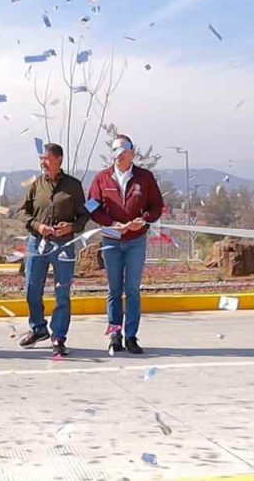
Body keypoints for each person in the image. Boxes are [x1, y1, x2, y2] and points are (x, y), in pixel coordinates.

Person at [87, 134, 164, 354]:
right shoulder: (102, 178)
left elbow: (157, 205)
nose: (119, 156)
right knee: (114, 290)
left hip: (135, 241)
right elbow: (91, 206)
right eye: (116, 152)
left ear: (132, 153)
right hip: (111, 241)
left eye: (123, 152)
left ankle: (131, 337)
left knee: (132, 289)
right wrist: (111, 223)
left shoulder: (144, 177)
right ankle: (114, 335)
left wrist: (144, 219)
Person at [17, 143, 89, 357]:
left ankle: (58, 336)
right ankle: (38, 328)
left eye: (46, 158)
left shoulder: (73, 186)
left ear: (59, 160)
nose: (43, 163)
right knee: (32, 288)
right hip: (37, 243)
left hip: (63, 246)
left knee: (62, 292)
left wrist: (71, 227)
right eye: (41, 159)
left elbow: (84, 215)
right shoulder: (35, 184)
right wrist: (38, 226)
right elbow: (22, 211)